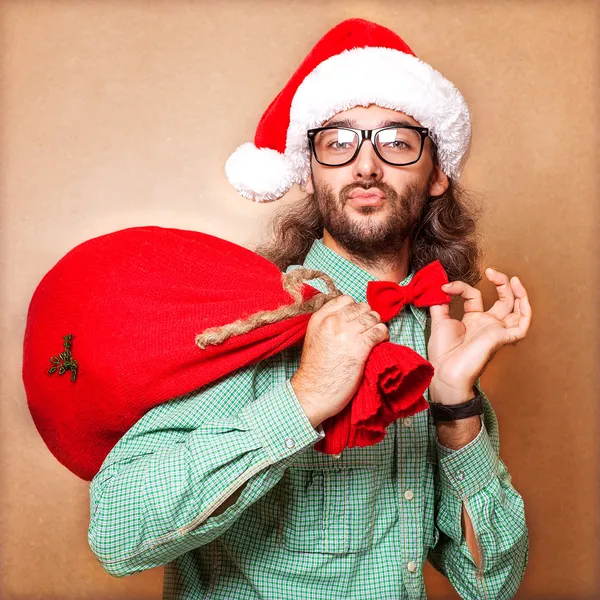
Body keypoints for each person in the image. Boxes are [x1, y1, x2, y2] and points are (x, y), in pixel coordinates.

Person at [88, 18, 531, 599]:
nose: (366, 166)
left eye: (398, 141)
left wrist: (454, 403)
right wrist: (304, 399)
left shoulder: (441, 335)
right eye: (338, 142)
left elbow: (488, 585)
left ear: (439, 174)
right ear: (310, 170)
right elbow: (117, 536)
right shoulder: (249, 320)